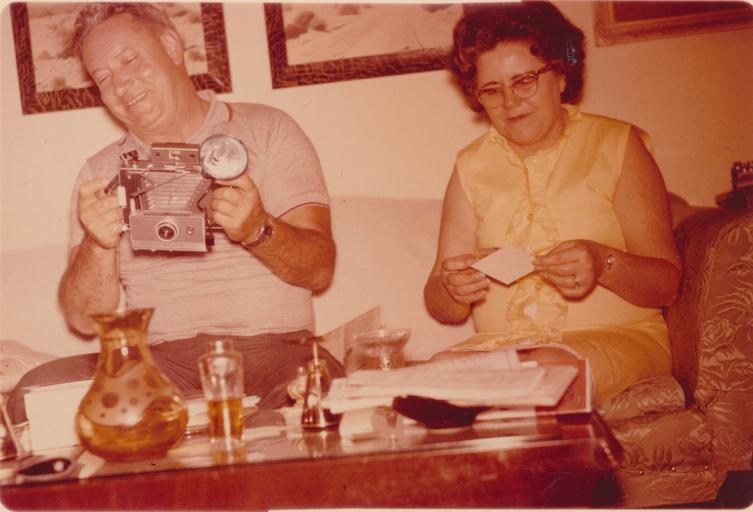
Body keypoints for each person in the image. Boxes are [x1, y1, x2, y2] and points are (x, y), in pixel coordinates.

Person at [8, 3, 341, 423]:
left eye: (129, 59)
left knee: (317, 389)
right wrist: (97, 244)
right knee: (32, 395)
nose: (121, 84)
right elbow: (83, 320)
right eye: (103, 77)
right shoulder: (100, 171)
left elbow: (319, 270)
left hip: (272, 351)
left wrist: (258, 229)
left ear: (171, 46)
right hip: (158, 364)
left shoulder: (269, 129)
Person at [424, 2, 682, 405]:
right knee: (434, 373)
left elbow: (666, 286)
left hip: (615, 339)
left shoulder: (617, 144)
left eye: (524, 81)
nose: (510, 102)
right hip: (503, 349)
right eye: (492, 90)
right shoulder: (469, 166)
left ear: (561, 74)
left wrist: (601, 262)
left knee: (544, 373)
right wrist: (453, 287)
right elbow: (443, 307)